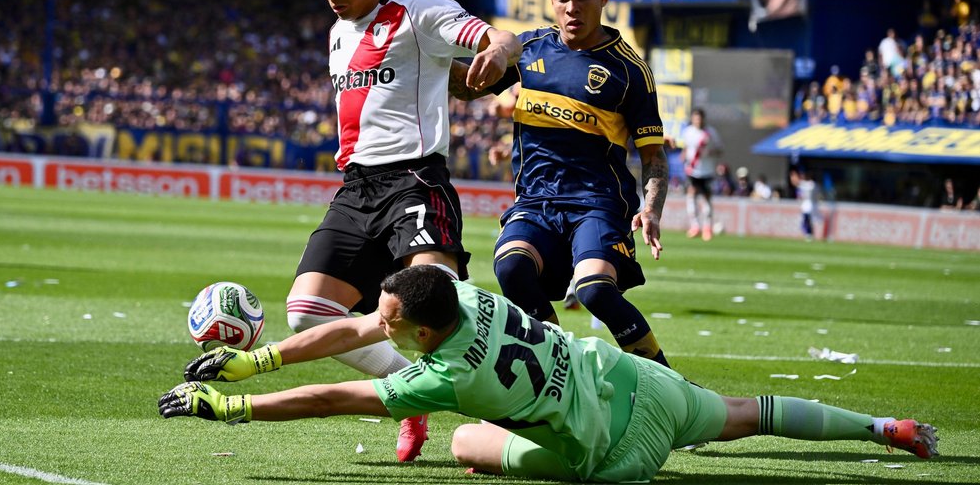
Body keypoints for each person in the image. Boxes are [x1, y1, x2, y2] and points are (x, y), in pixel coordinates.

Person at [159, 265, 939, 482]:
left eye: (389, 321)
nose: (376, 324)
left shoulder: (443, 377)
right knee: (747, 412)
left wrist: (233, 409)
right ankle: (884, 427)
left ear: (423, 331)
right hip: (640, 384)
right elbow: (358, 329)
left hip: (615, 453)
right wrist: (256, 361)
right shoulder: (458, 292)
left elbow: (340, 395)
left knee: (465, 442)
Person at [286, 0, 521, 461]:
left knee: (444, 305)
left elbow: (500, 38)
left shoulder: (421, 10)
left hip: (414, 180)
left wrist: (497, 54)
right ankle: (409, 397)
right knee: (307, 312)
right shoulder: (338, 32)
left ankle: (504, 416)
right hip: (355, 189)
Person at [450, 0, 671, 367]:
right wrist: (414, 57)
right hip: (535, 201)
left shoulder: (629, 71)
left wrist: (652, 208)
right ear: (551, 0)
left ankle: (669, 384)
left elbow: (653, 155)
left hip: (597, 204)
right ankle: (563, 367)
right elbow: (467, 87)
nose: (572, 7)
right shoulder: (528, 49)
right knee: (511, 267)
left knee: (594, 290)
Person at [680, 108, 723, 240]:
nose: (698, 121)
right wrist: (683, 155)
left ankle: (707, 227)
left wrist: (710, 152)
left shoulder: (711, 132)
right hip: (692, 169)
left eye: (700, 118)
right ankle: (695, 226)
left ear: (703, 119)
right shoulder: (688, 132)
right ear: (692, 119)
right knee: (691, 194)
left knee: (706, 198)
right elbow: (686, 147)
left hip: (707, 171)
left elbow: (720, 150)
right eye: (695, 118)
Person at [797, 170, 819, 241]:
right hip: (805, 204)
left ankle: (810, 233)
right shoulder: (803, 184)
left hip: (810, 204)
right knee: (805, 219)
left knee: (809, 219)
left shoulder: (812, 184)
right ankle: (808, 233)